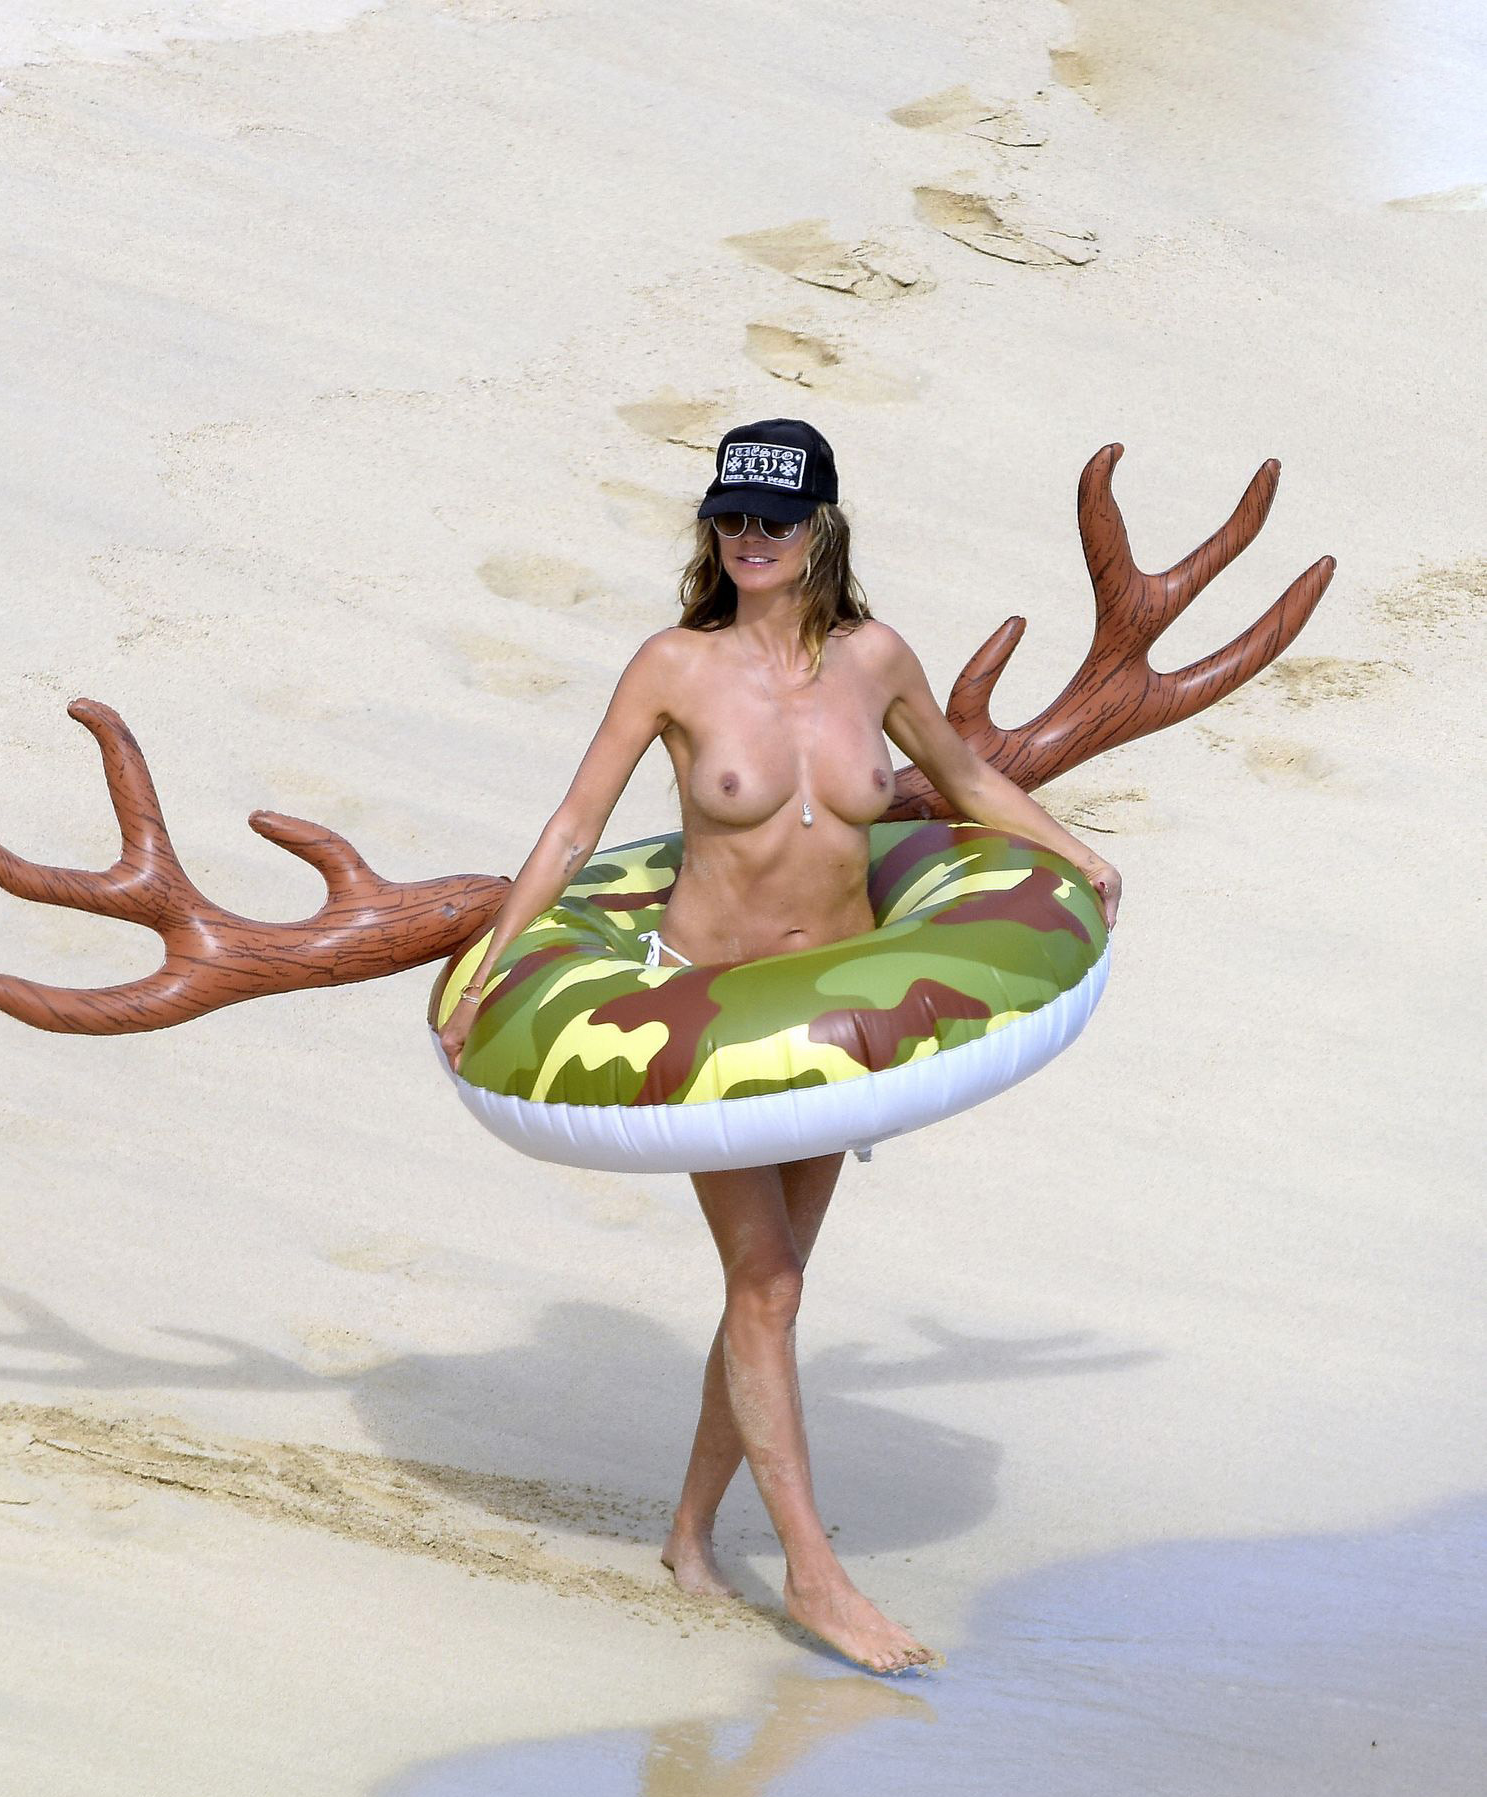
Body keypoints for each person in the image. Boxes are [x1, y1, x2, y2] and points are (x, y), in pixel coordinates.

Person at [437, 418, 1121, 1674]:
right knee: (768, 1285)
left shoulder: (875, 658)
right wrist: (492, 963)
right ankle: (814, 1577)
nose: (749, 540)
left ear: (821, 527)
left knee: (771, 1285)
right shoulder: (672, 666)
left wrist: (1076, 855)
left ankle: (689, 1537)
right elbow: (575, 825)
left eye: (774, 519)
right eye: (730, 519)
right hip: (709, 1018)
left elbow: (964, 781)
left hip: (835, 1012)